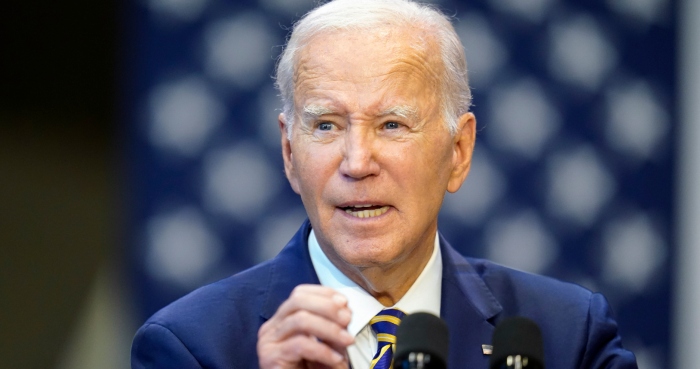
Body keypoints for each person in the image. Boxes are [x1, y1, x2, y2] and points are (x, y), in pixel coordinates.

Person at [131, 0, 638, 368]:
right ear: (289, 153)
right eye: (326, 125)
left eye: (392, 125)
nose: (356, 162)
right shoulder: (190, 346)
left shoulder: (569, 337)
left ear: (458, 153)